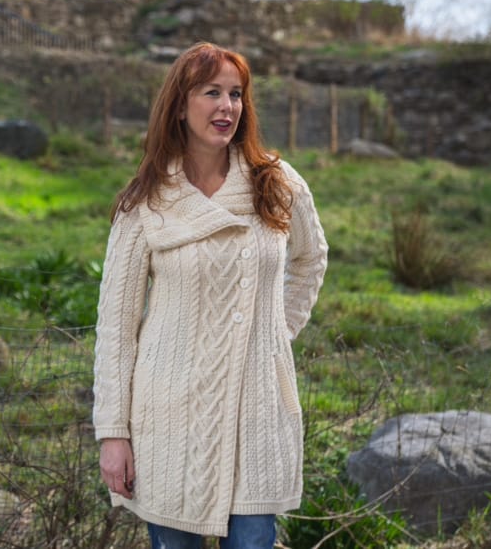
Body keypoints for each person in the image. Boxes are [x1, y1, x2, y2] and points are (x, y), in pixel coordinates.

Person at [92, 41, 328, 548]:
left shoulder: (277, 183)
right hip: (170, 417)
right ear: (180, 105)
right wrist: (113, 432)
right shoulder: (147, 203)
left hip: (257, 411)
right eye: (211, 93)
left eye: (236, 94)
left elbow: (311, 259)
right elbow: (116, 325)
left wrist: (275, 332)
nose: (226, 107)